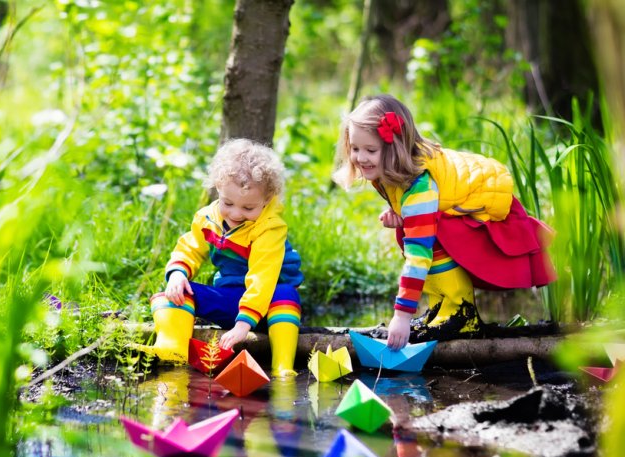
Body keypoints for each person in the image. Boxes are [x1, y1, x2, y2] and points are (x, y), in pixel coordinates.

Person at [333, 94, 555, 350]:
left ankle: (460, 312)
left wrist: (402, 316)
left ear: (395, 149)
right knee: (413, 230)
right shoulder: (388, 170)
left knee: (430, 237)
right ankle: (440, 307)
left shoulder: (420, 186)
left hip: (483, 204)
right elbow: (407, 204)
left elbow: (419, 255)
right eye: (356, 149)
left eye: (370, 150)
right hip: (452, 203)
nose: (361, 158)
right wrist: (398, 213)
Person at [147, 138, 304, 377]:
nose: (235, 214)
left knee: (285, 293)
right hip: (231, 300)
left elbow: (262, 278)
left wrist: (243, 325)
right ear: (218, 188)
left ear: (268, 198)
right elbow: (191, 247)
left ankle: (282, 367)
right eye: (228, 203)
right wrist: (178, 273)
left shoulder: (270, 228)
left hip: (267, 308)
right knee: (177, 291)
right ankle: (171, 352)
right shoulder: (207, 218)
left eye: (248, 208)